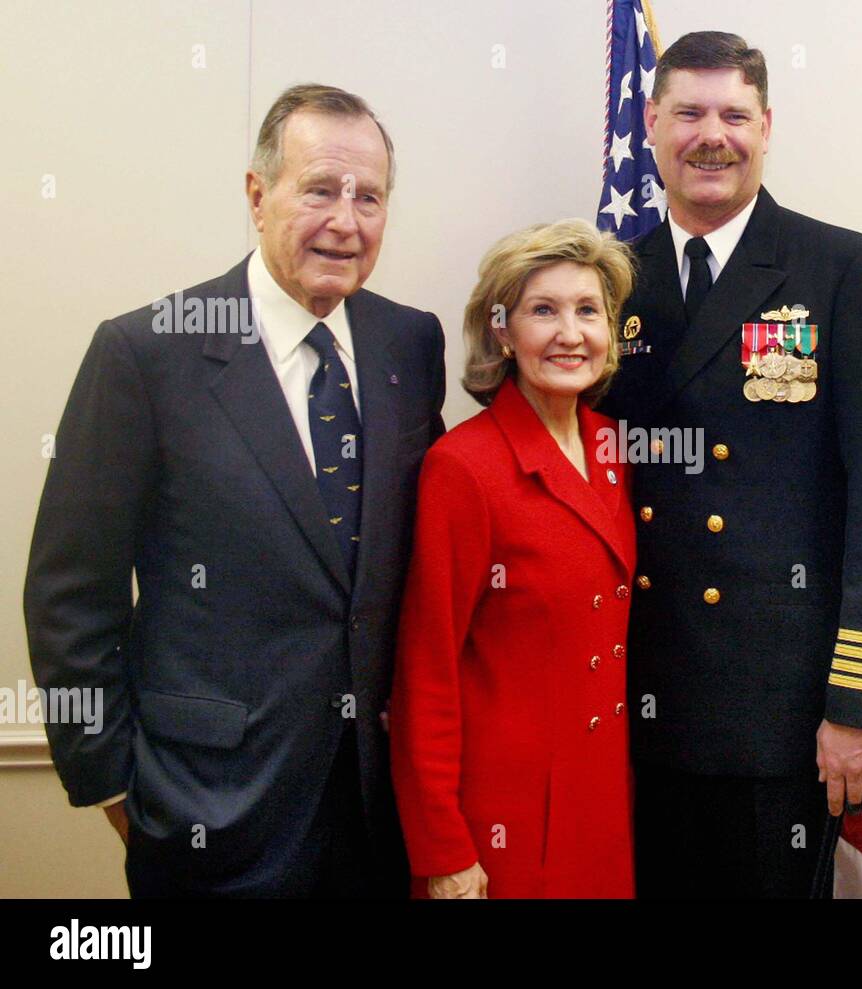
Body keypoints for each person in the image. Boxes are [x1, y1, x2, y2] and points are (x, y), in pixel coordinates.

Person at [23, 84, 447, 897]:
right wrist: (113, 784)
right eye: (320, 189)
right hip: (205, 814)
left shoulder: (410, 341)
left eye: (369, 197)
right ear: (258, 195)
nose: (346, 221)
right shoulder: (145, 354)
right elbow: (69, 595)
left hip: (377, 814)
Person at [599, 31, 862, 898]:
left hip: (776, 713)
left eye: (735, 114)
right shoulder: (604, 279)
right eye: (689, 113)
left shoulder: (842, 268)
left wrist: (860, 706)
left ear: (768, 125)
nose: (713, 135)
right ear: (651, 122)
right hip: (629, 702)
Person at [389, 219, 637, 899]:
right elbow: (426, 672)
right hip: (505, 820)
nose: (570, 333)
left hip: (606, 803)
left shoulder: (616, 448)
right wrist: (444, 849)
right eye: (543, 310)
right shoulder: (463, 467)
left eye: (589, 310)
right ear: (502, 329)